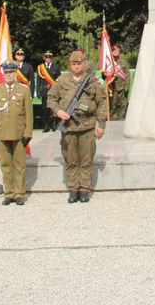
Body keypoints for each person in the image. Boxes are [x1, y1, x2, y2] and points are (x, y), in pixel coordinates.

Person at [46, 50, 108, 203]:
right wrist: (59, 111)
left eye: (79, 64)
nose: (76, 67)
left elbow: (102, 102)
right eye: (74, 64)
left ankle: (85, 189)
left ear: (84, 63)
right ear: (70, 64)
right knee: (71, 159)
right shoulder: (62, 80)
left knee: (86, 159)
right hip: (68, 127)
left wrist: (101, 124)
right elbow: (51, 99)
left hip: (87, 126)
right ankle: (73, 189)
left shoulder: (92, 81)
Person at [0, 61, 34, 205]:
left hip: (19, 132)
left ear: (16, 73)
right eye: (6, 72)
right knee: (6, 164)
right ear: (3, 73)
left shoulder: (24, 90)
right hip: (3, 132)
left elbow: (28, 113)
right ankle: (8, 193)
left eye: (11, 72)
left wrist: (28, 132)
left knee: (20, 164)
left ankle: (19, 193)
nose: (9, 75)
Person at [36, 51, 61, 132]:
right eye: (46, 58)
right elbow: (39, 81)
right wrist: (38, 90)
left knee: (53, 108)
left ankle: (54, 124)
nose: (48, 59)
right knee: (44, 108)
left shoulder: (56, 67)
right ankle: (45, 125)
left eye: (49, 58)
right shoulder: (40, 67)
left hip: (53, 90)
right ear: (44, 58)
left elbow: (59, 79)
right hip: (44, 90)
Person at [108, 44, 130, 121]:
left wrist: (127, 87)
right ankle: (113, 120)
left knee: (123, 105)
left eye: (117, 50)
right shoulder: (109, 63)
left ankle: (122, 119)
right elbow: (105, 75)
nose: (116, 52)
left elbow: (127, 75)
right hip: (113, 87)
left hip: (122, 87)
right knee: (112, 105)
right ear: (111, 52)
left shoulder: (124, 62)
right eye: (114, 50)